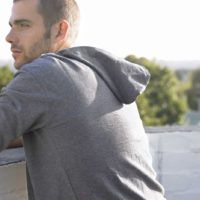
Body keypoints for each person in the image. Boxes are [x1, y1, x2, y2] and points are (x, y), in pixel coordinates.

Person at [0, 0, 166, 199]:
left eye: (23, 25)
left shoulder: (44, 73)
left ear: (59, 30)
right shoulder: (100, 76)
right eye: (11, 26)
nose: (9, 37)